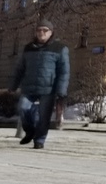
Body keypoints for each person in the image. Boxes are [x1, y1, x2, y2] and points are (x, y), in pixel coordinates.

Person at [10, 20, 70, 149]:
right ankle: (30, 131)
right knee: (23, 108)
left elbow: (64, 71)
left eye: (45, 30)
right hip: (29, 86)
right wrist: (13, 86)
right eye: (39, 30)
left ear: (51, 32)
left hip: (49, 88)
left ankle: (40, 140)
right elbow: (20, 68)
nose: (41, 33)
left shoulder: (60, 48)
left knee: (44, 117)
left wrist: (61, 90)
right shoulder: (29, 48)